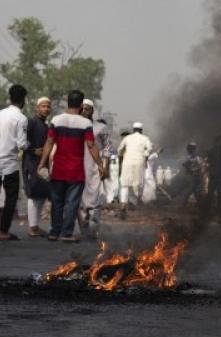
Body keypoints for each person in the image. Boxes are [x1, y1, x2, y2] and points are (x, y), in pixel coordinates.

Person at [37, 90, 106, 242]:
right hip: (75, 170)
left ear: (67, 102)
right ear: (81, 105)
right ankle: (67, 233)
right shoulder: (85, 123)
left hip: (58, 169)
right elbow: (91, 144)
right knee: (72, 203)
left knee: (57, 202)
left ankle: (55, 232)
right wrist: (100, 164)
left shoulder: (56, 120)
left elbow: (49, 143)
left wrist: (41, 164)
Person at [0, 84, 29, 240]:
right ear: (24, 99)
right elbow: (22, 144)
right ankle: (3, 231)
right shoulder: (21, 118)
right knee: (11, 196)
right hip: (10, 161)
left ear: (10, 97)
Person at [80, 100, 111, 232]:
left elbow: (107, 149)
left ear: (92, 111)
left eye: (87, 109)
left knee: (96, 201)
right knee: (80, 202)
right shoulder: (76, 126)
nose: (84, 111)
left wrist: (105, 167)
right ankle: (83, 229)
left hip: (95, 169)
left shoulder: (100, 128)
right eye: (82, 109)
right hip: (78, 168)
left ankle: (94, 230)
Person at [23, 97, 52, 237]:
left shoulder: (46, 126)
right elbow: (22, 140)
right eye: (43, 106)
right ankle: (32, 227)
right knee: (33, 193)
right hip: (31, 162)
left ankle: (35, 226)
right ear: (37, 108)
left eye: (48, 106)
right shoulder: (31, 122)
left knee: (41, 193)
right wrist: (32, 150)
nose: (46, 109)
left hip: (42, 163)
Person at [117, 121, 152, 218]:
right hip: (139, 163)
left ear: (133, 130)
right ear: (141, 130)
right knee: (138, 184)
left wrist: (121, 156)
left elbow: (119, 150)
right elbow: (149, 149)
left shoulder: (127, 138)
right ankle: (136, 202)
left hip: (127, 162)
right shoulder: (145, 138)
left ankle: (123, 205)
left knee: (125, 184)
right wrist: (145, 155)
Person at [177, 142, 205, 207]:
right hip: (193, 177)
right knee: (193, 191)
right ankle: (200, 205)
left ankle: (184, 204)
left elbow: (200, 165)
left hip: (194, 177)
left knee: (192, 191)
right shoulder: (191, 157)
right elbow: (185, 164)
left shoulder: (194, 157)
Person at [205, 134, 221, 216]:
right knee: (220, 193)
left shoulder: (210, 150)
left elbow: (207, 162)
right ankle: (220, 210)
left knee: (210, 192)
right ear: (220, 141)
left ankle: (207, 209)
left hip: (212, 173)